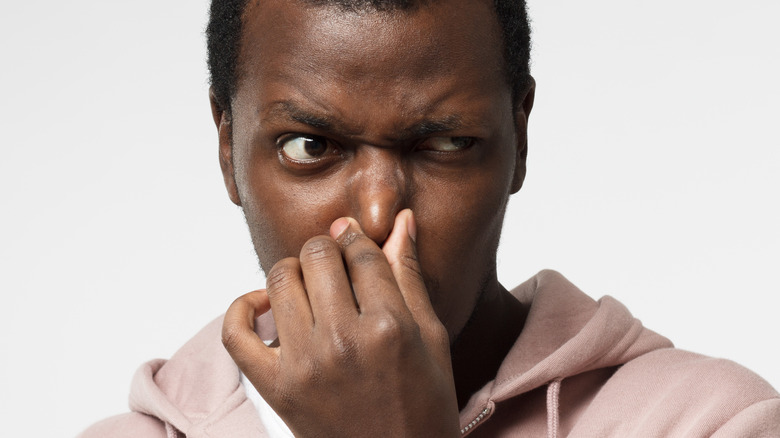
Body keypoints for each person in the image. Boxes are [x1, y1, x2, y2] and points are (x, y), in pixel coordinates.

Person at [79, 0, 780, 436]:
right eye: (310, 147)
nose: (379, 213)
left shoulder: (712, 422)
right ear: (228, 147)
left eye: (445, 144)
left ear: (520, 137)